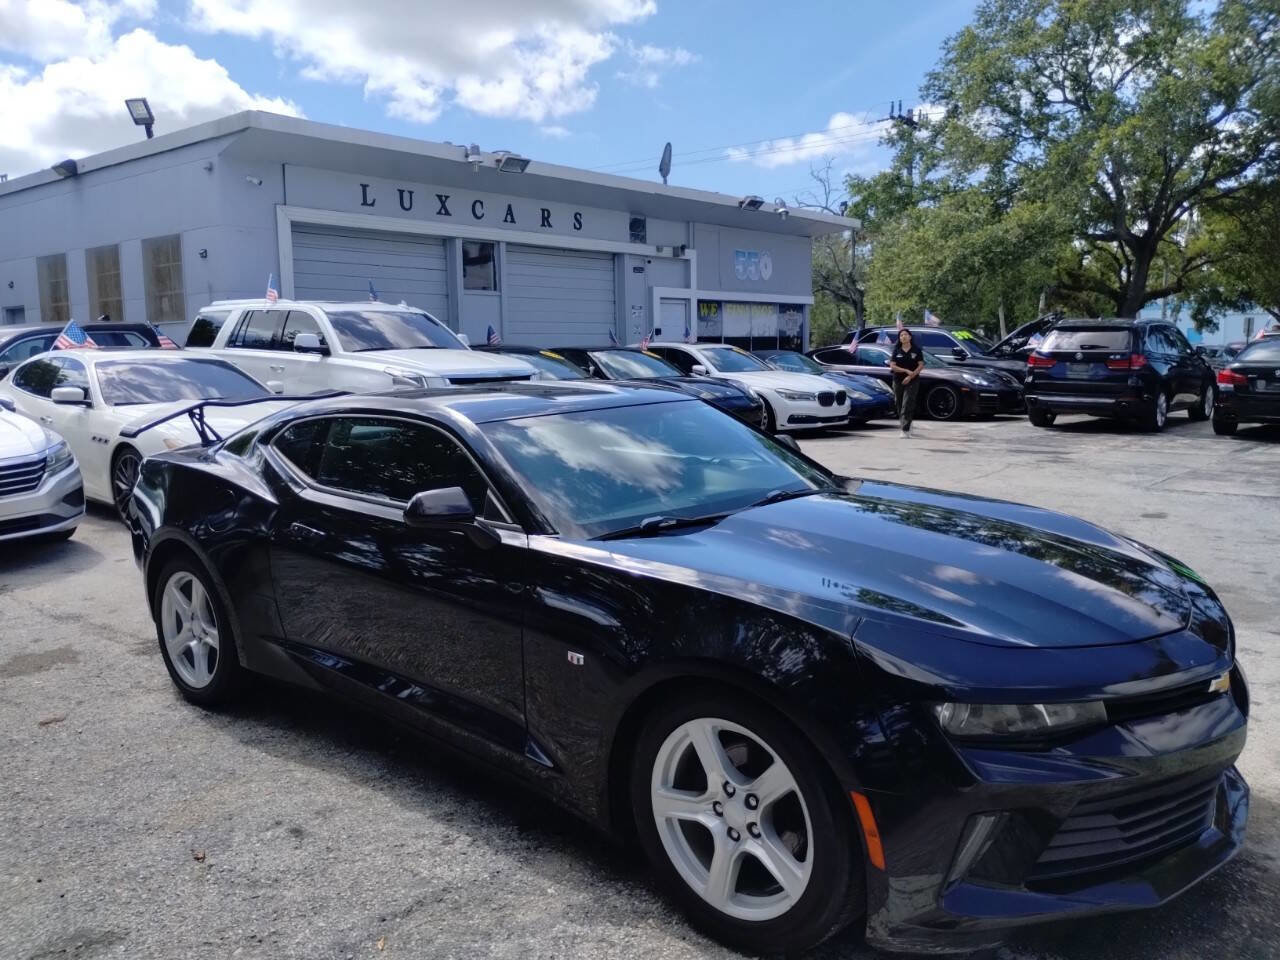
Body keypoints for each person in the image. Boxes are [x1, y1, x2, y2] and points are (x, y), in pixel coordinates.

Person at [889, 328, 924, 438]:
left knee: (907, 403)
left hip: (913, 380)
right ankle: (907, 423)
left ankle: (905, 429)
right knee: (899, 403)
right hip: (898, 380)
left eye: (905, 335)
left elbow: (921, 365)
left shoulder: (916, 350)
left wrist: (910, 376)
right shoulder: (897, 350)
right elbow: (892, 366)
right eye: (901, 335)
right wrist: (905, 371)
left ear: (910, 337)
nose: (903, 337)